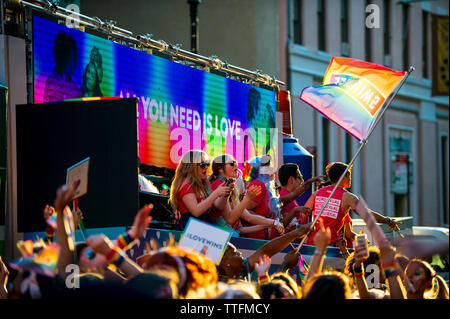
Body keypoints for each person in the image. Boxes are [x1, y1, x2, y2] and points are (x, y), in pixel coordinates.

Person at [304, 162, 402, 247]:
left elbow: (303, 214)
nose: (350, 178)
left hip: (311, 244)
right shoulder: (347, 197)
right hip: (331, 247)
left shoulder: (316, 193)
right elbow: (367, 215)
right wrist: (388, 221)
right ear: (341, 177)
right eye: (348, 175)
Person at [209, 154, 284, 236]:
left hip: (232, 237)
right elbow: (230, 219)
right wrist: (247, 198)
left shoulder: (229, 186)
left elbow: (247, 218)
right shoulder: (217, 185)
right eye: (232, 163)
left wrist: (273, 223)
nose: (236, 164)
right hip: (219, 239)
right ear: (220, 169)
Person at [217, 223, 312, 281]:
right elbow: (272, 293)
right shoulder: (230, 289)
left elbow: (265, 252)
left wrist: (294, 234)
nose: (239, 253)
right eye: (234, 253)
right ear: (226, 264)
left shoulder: (239, 270)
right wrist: (285, 266)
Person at [169, 150, 231, 230]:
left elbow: (219, 206)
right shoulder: (185, 184)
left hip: (201, 228)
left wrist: (226, 193)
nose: (206, 167)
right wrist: (216, 193)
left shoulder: (202, 184)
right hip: (190, 230)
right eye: (203, 165)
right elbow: (196, 211)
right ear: (191, 166)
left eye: (207, 164)